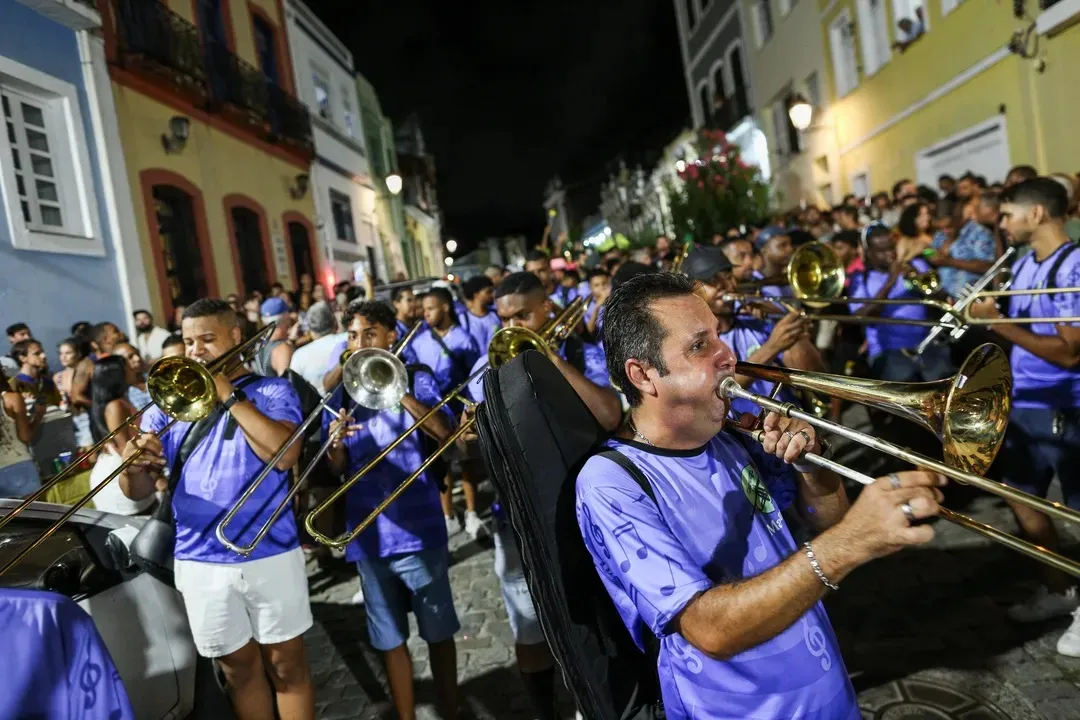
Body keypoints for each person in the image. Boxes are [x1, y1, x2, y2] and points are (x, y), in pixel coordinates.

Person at [576, 271, 946, 718]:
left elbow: (826, 520)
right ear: (644, 375)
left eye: (718, 335)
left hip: (828, 696)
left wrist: (814, 468)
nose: (728, 354)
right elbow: (708, 630)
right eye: (699, 345)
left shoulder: (732, 432)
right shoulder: (610, 482)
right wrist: (847, 546)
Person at [117, 298, 314, 720]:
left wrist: (227, 393)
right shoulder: (170, 402)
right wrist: (134, 464)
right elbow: (134, 491)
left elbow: (285, 454)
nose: (196, 351)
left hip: (270, 552)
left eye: (207, 339)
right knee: (238, 672)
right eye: (189, 342)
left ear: (235, 338)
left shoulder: (271, 390)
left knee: (287, 666)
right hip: (201, 558)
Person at [462, 271, 621, 720]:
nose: (512, 328)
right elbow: (466, 444)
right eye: (505, 318)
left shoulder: (579, 350)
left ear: (547, 308)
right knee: (529, 625)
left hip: (585, 508)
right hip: (516, 515)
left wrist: (548, 358)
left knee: (598, 619)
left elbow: (609, 414)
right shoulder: (488, 364)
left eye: (523, 316)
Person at [324, 301, 460, 720]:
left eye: (369, 334)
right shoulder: (345, 390)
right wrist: (336, 443)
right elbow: (337, 470)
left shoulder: (417, 378)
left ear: (390, 336)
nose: (359, 343)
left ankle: (451, 710)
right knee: (388, 640)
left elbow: (445, 434)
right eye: (352, 336)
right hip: (369, 532)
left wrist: (396, 390)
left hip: (419, 530)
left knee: (438, 632)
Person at [968, 178, 1080, 656]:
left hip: (1064, 404)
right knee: (1018, 495)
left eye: (1009, 214)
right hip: (1027, 399)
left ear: (1037, 214)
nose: (1003, 222)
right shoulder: (1027, 263)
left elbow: (1071, 353)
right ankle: (1062, 590)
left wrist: (997, 323)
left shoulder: (1072, 264)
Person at [411, 287, 482, 535]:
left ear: (445, 307)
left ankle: (472, 513)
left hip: (459, 408)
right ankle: (448, 514)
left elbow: (474, 374)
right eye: (423, 309)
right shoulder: (418, 341)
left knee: (466, 462)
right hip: (434, 412)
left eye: (430, 308)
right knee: (442, 466)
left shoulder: (463, 338)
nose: (425, 313)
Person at [848, 224, 953, 382]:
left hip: (927, 343)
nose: (890, 254)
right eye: (882, 251)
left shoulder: (916, 266)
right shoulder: (860, 279)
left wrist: (919, 277)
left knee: (945, 383)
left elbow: (942, 299)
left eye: (891, 248)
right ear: (869, 253)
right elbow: (863, 316)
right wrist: (890, 282)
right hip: (888, 351)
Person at [87, 356, 154, 516]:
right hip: (120, 476)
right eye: (128, 366)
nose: (133, 368)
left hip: (130, 469)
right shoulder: (115, 406)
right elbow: (125, 447)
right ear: (117, 374)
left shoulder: (122, 400)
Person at [0, 365, 45, 498]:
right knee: (38, 515)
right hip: (19, 466)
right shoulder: (12, 399)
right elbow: (25, 436)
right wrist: (38, 415)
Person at [457, 275, 502, 354]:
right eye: (488, 292)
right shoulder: (463, 319)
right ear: (476, 294)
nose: (493, 295)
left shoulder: (496, 315)